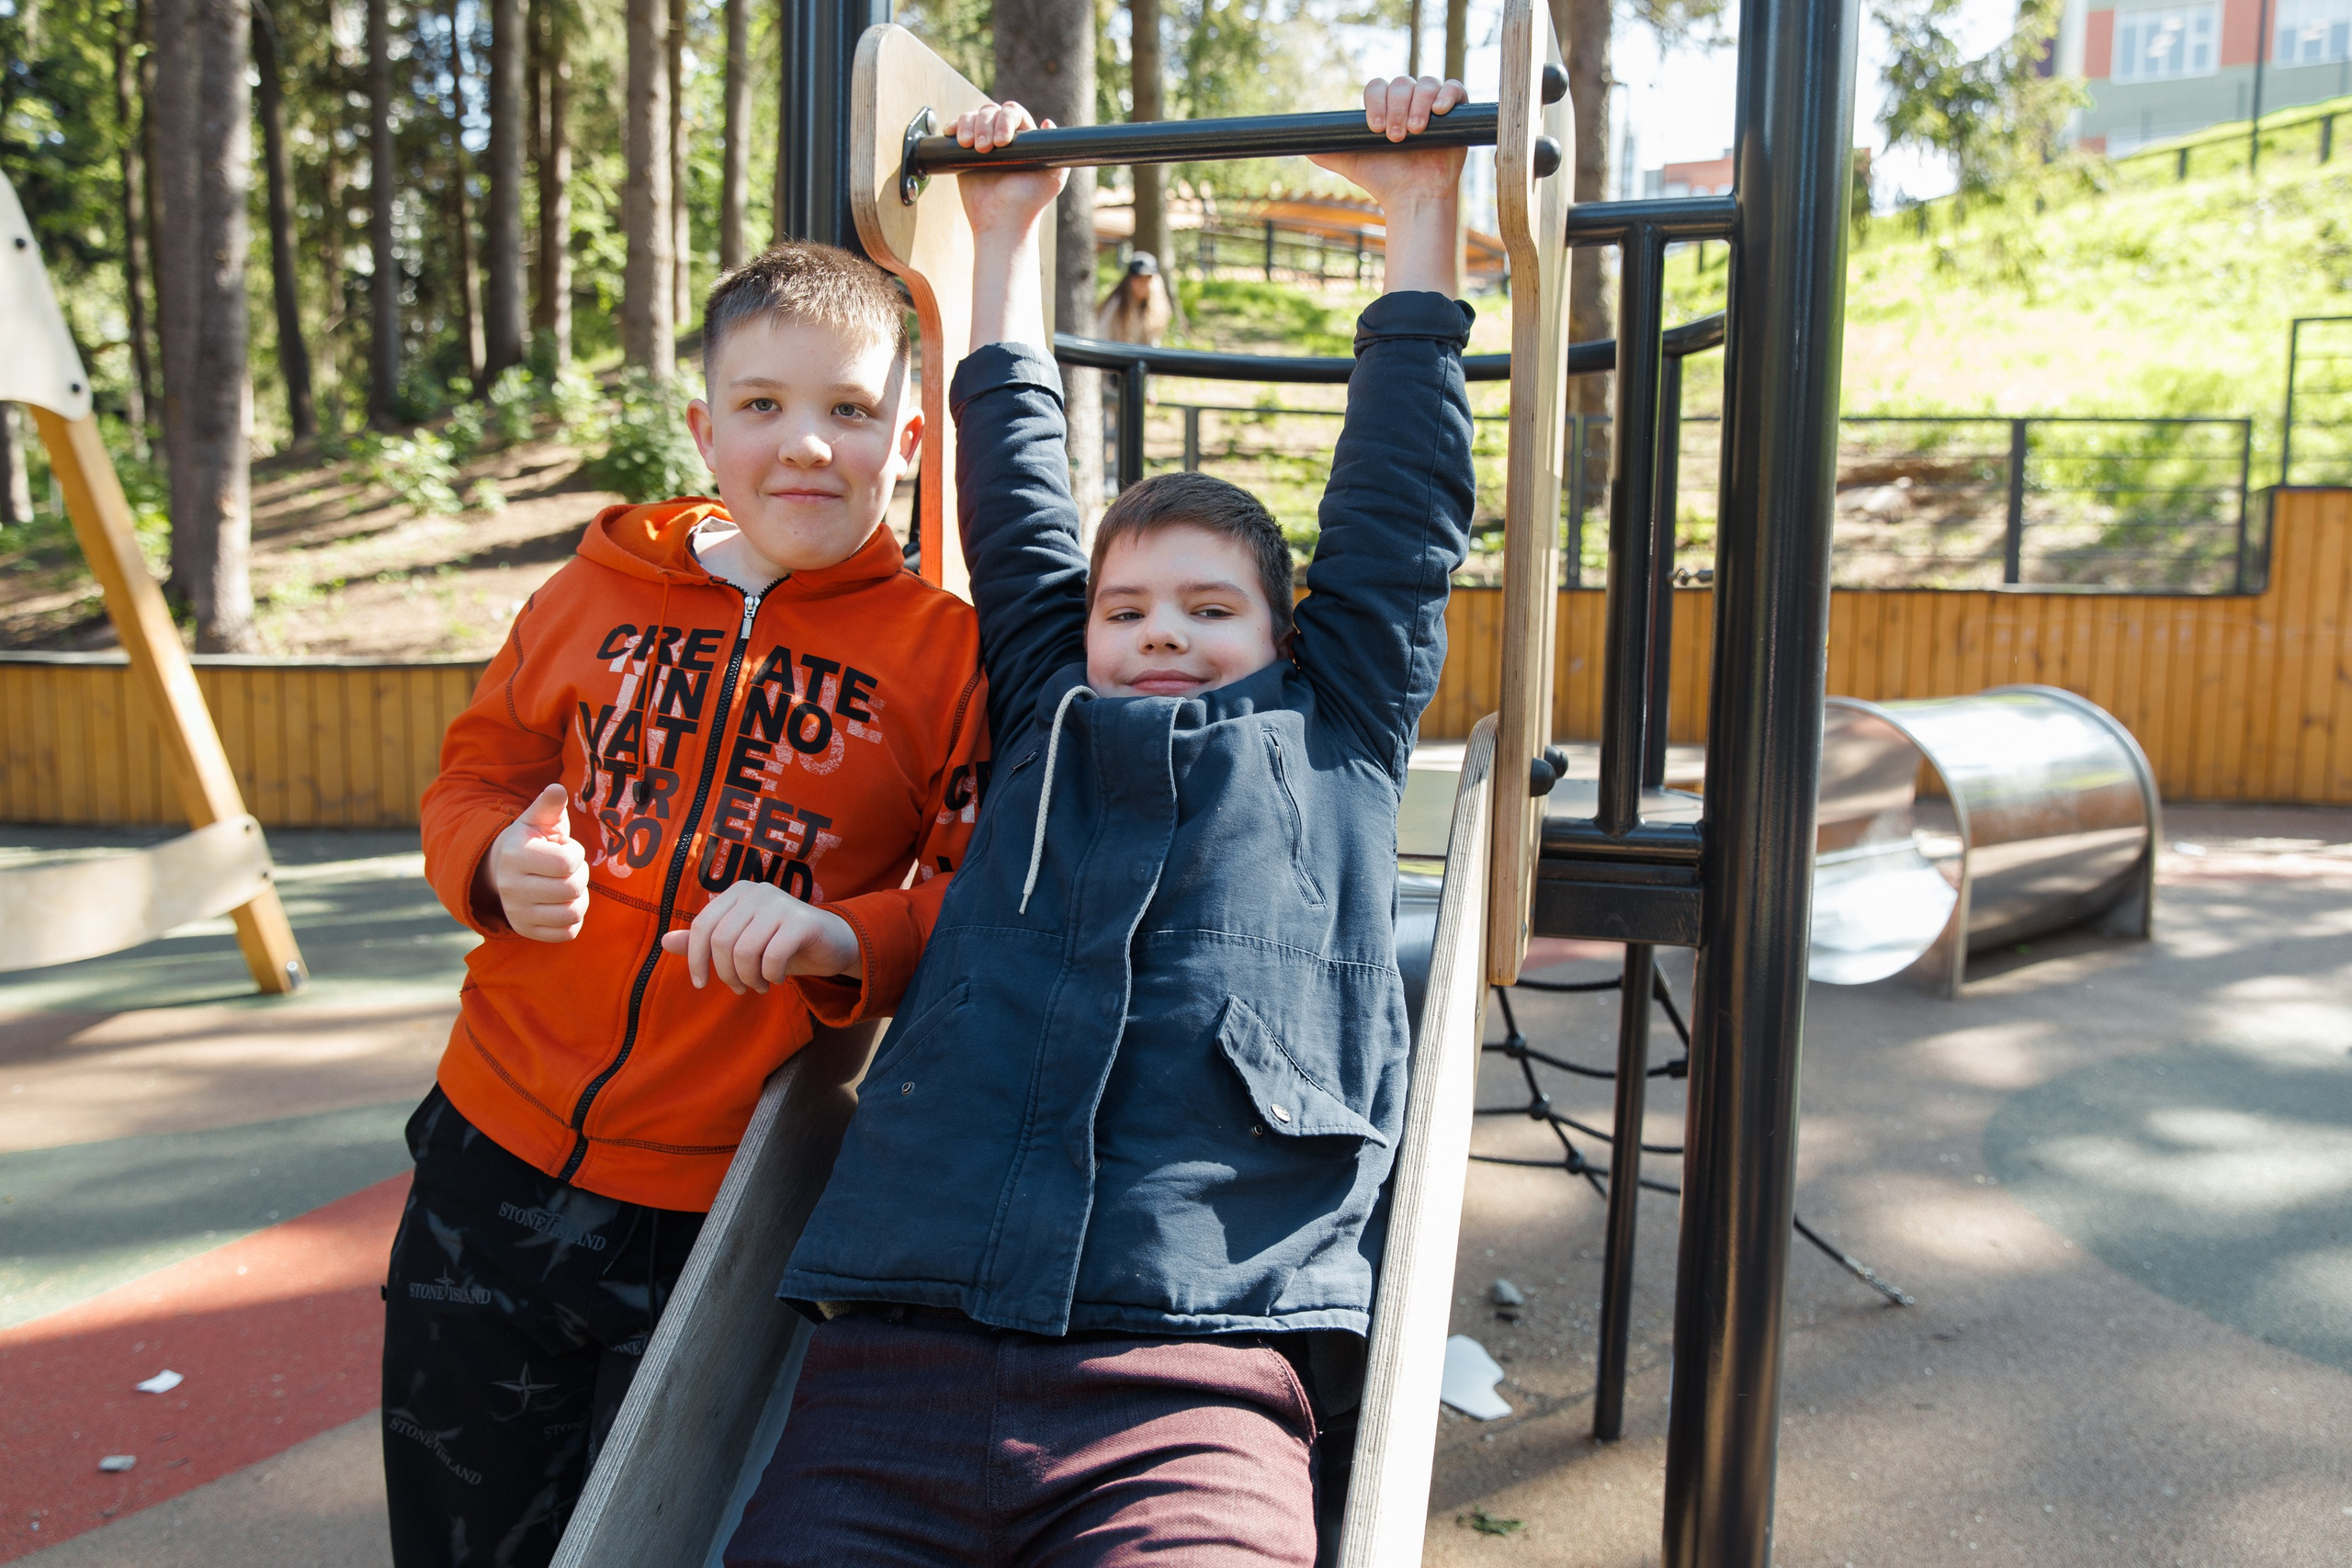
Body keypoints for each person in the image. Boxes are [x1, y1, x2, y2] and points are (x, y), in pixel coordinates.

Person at [725, 75, 1477, 1567]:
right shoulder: (1044, 716)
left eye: (1210, 607)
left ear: (1286, 634)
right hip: (901, 1355)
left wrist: (1418, 216)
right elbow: (1014, 496)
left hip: (1194, 1370)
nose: (1163, 631)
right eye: (1125, 609)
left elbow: (1400, 510)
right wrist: (1004, 232)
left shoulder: (1332, 732)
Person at [383, 243, 989, 1568]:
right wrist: (494, 858)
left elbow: (980, 897)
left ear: (905, 439)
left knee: (655, 1537)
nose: (806, 444)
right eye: (763, 405)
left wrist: (843, 937)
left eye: (848, 408)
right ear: (707, 431)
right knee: (457, 1534)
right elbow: (477, 774)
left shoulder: (945, 659)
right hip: (487, 1150)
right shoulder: (587, 591)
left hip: (722, 1200)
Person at [1096, 250, 1175, 344]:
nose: (1142, 284)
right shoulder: (1116, 304)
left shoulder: (1157, 310)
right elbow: (1102, 336)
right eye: (1138, 279)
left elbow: (1154, 344)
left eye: (1146, 280)